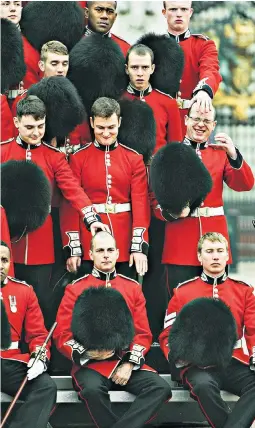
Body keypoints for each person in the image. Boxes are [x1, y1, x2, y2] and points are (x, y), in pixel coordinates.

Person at [0, 95, 108, 322]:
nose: (36, 132)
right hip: (8, 239)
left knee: (39, 304)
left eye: (40, 127)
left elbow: (72, 189)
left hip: (41, 243)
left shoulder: (54, 157)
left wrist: (91, 218)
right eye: (29, 127)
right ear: (17, 122)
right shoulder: (3, 152)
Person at [54, 231, 171, 428]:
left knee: (160, 388)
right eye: (100, 250)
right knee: (91, 391)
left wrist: (128, 364)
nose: (106, 255)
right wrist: (88, 353)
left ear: (117, 254)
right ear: (91, 255)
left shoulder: (132, 288)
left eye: (110, 250)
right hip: (90, 364)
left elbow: (142, 334)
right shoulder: (76, 288)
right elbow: (62, 334)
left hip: (123, 360)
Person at [153, 103, 254, 295]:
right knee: (181, 302)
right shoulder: (170, 155)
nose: (201, 124)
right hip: (180, 240)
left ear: (214, 125)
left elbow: (245, 184)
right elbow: (154, 199)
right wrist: (170, 213)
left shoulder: (220, 154)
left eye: (206, 121)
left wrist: (234, 154)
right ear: (186, 120)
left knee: (215, 300)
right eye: (196, 119)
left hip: (215, 241)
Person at [159, 232, 255, 428]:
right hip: (196, 364)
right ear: (199, 256)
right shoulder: (182, 292)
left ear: (228, 255)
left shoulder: (244, 291)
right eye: (209, 251)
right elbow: (167, 334)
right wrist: (180, 356)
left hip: (231, 360)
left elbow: (254, 330)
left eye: (220, 251)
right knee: (203, 386)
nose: (215, 256)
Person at [124, 42, 182, 339]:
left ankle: (156, 330)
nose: (140, 73)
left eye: (145, 67)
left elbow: (176, 151)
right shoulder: (119, 100)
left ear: (153, 69)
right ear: (127, 69)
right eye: (134, 67)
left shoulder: (167, 104)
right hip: (125, 189)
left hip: (157, 190)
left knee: (157, 264)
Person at [60, 97, 150, 279]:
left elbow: (141, 204)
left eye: (111, 127)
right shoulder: (78, 158)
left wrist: (139, 246)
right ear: (92, 123)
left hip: (123, 244)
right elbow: (70, 204)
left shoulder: (133, 159)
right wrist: (73, 247)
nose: (106, 133)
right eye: (101, 128)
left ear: (119, 122)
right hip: (88, 241)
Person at [0, 240, 57, 428]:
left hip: (10, 363)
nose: (0, 265)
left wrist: (39, 358)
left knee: (46, 387)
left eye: (4, 260)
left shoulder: (24, 291)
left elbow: (38, 334)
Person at [162, 1, 222, 136]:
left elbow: (210, 69)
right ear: (164, 13)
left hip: (192, 121)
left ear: (190, 12)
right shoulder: (152, 45)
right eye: (173, 9)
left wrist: (203, 91)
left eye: (183, 9)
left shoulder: (203, 45)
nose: (178, 14)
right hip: (160, 121)